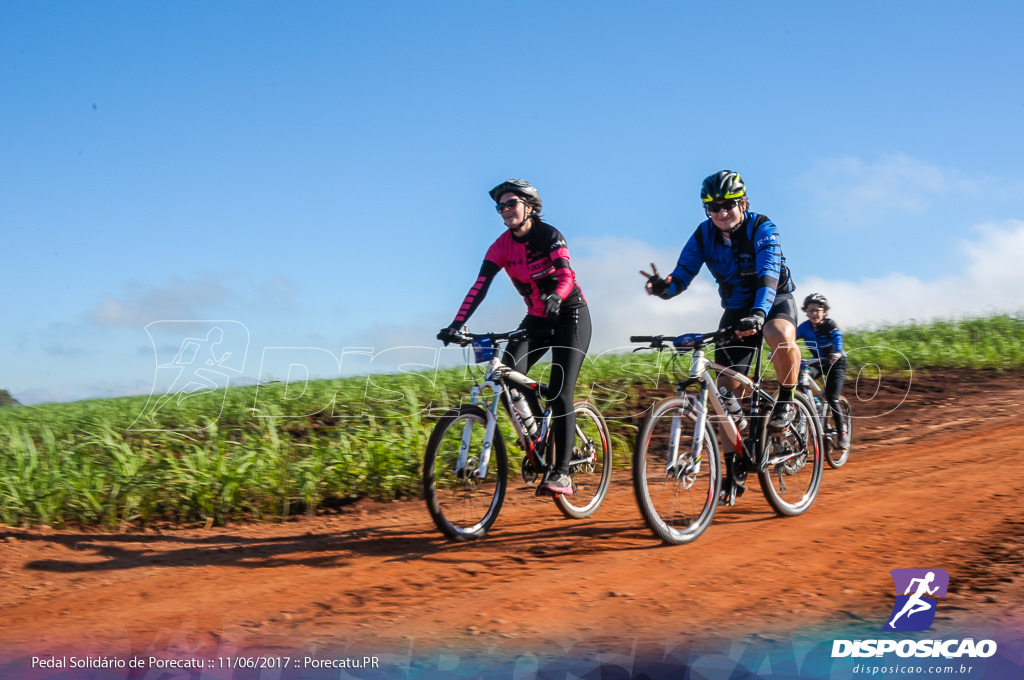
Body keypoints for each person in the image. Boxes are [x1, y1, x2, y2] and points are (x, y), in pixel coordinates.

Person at [438, 179, 591, 497]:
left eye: (511, 204)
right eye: (500, 206)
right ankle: (537, 439)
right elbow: (480, 286)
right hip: (536, 320)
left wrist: (557, 298)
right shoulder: (500, 247)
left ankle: (562, 473)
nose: (505, 210)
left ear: (529, 207)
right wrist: (456, 324)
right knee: (507, 375)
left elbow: (565, 275)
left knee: (561, 392)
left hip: (569, 315)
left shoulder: (549, 235)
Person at [641, 170, 801, 432]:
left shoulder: (762, 228)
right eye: (713, 207)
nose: (721, 213)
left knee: (779, 332)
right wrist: (662, 287)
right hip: (737, 309)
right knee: (724, 397)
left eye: (728, 205)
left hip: (773, 301)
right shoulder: (704, 235)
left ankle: (787, 401)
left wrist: (760, 313)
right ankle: (733, 468)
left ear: (743, 204)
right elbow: (681, 277)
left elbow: (768, 275)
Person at [796, 293, 850, 449]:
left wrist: (837, 351)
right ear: (806, 312)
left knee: (832, 398)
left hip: (836, 363)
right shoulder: (804, 327)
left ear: (824, 312)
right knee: (802, 377)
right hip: (819, 362)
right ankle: (815, 403)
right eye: (810, 310)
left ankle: (842, 433)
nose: (814, 313)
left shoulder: (829, 324)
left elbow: (837, 338)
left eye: (817, 310)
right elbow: (790, 338)